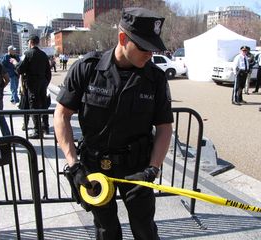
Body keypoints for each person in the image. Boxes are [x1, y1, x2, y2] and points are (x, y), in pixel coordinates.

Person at [54, 7, 173, 240]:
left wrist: (152, 169)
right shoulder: (87, 68)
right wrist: (74, 165)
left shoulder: (155, 79)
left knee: (144, 229)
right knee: (106, 230)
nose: (150, 54)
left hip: (138, 167)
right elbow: (61, 115)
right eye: (143, 47)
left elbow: (164, 127)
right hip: (95, 167)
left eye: (153, 47)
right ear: (122, 38)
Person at [15, 34, 52, 139]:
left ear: (30, 42)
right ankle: (45, 127)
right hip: (42, 83)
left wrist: (15, 64)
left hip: (32, 84)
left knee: (34, 107)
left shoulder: (28, 54)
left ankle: (37, 130)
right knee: (44, 105)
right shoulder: (43, 55)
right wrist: (45, 83)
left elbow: (20, 69)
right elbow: (48, 72)